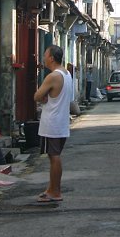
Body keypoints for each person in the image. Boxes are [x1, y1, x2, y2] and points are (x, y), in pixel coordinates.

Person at [33, 44, 73, 203]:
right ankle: (52, 189)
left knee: (54, 156)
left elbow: (37, 96)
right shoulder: (67, 74)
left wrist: (43, 95)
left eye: (45, 55)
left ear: (51, 58)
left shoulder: (53, 76)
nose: (43, 58)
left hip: (52, 123)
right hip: (61, 122)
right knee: (54, 156)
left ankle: (55, 191)